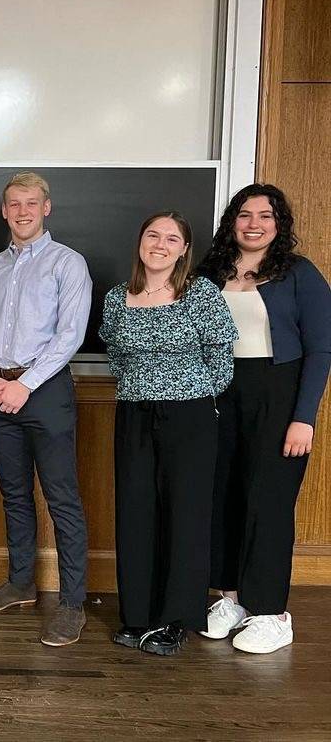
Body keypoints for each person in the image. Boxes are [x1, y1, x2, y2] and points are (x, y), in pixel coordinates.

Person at [198, 184, 331, 654]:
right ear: (232, 221)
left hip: (278, 394)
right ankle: (231, 597)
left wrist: (303, 418)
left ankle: (271, 612)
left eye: (266, 215)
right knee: (223, 497)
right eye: (245, 214)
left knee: (268, 504)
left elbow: (320, 350)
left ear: (279, 224)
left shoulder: (299, 274)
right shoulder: (209, 273)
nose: (254, 223)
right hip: (219, 394)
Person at [100, 211, 236, 656]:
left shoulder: (201, 295)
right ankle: (137, 614)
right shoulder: (117, 298)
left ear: (183, 249)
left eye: (171, 238)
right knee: (136, 512)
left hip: (190, 416)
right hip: (134, 414)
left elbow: (221, 359)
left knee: (185, 515)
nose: (160, 244)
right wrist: (143, 390)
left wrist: (189, 394)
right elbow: (116, 358)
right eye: (152, 235)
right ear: (140, 241)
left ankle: (175, 619)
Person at [0, 171, 92, 647]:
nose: (22, 211)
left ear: (46, 208)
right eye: (14, 204)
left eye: (31, 203)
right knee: (13, 493)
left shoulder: (68, 263)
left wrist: (27, 385)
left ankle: (72, 602)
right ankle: (20, 584)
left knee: (62, 498)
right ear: (4, 210)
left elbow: (70, 335)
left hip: (47, 393)